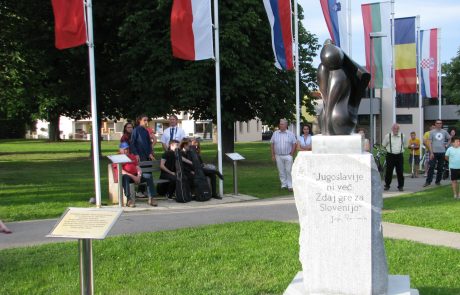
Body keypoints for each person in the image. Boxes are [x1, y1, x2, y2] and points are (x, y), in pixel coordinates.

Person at [113, 142, 157, 207]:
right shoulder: (117, 157)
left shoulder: (132, 156)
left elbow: (137, 167)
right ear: (120, 150)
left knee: (148, 176)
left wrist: (139, 176)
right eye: (125, 149)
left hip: (135, 176)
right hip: (126, 176)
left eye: (127, 149)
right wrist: (134, 177)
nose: (127, 150)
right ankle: (129, 200)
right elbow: (121, 171)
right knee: (125, 177)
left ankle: (151, 198)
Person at [270, 119, 297, 192]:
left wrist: (291, 154)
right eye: (280, 124)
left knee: (289, 170)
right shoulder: (275, 133)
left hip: (288, 155)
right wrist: (273, 155)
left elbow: (294, 144)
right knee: (281, 171)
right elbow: (272, 144)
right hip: (278, 155)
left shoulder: (290, 134)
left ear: (286, 125)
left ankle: (290, 185)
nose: (280, 125)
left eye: (282, 124)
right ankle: (283, 184)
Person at [424, 120, 451, 187]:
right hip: (434, 153)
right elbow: (429, 143)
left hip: (442, 152)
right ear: (435, 124)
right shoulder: (432, 132)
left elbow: (449, 138)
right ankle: (428, 182)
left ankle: (438, 181)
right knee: (431, 167)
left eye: (440, 123)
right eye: (437, 123)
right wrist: (431, 152)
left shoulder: (444, 132)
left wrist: (447, 145)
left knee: (440, 168)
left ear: (441, 124)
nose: (439, 124)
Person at [382, 123, 406, 191]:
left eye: (397, 128)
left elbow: (404, 144)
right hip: (390, 155)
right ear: (392, 129)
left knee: (400, 171)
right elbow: (384, 145)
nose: (396, 130)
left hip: (399, 155)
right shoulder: (388, 136)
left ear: (399, 129)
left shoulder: (402, 136)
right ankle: (387, 185)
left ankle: (401, 186)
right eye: (394, 128)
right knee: (389, 171)